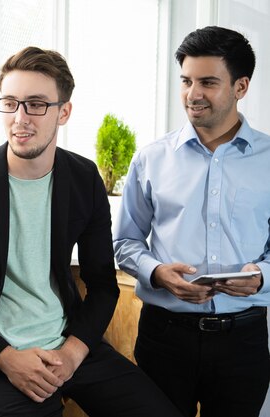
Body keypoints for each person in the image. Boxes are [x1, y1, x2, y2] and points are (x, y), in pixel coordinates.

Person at [0, 46, 182, 417]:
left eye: (36, 104)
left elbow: (102, 284)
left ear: (63, 112)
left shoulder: (84, 178)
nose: (20, 118)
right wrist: (6, 359)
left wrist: (73, 351)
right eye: (10, 103)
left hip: (69, 344)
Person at [113, 26, 270, 417]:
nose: (192, 94)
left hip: (244, 340)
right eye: (186, 81)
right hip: (163, 337)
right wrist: (158, 273)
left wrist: (263, 276)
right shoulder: (151, 158)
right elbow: (125, 243)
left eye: (208, 82)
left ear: (241, 86)